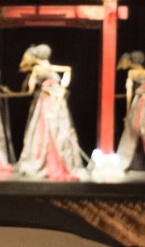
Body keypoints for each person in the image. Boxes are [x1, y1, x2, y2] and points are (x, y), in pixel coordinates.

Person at [7, 44, 86, 180]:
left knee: (45, 129)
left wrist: (13, 92)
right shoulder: (48, 68)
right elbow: (66, 71)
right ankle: (55, 159)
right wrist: (63, 85)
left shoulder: (39, 68)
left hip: (48, 100)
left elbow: (29, 91)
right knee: (53, 128)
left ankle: (49, 160)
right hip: (53, 99)